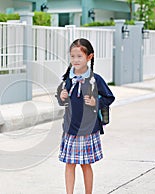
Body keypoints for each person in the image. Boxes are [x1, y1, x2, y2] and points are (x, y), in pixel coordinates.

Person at [56, 38, 115, 194]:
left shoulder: (95, 80)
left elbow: (109, 97)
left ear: (89, 57)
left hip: (88, 128)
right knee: (69, 164)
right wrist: (61, 97)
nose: (75, 60)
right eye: (73, 56)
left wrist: (96, 101)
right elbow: (61, 101)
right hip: (70, 128)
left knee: (85, 164)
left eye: (79, 56)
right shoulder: (67, 78)